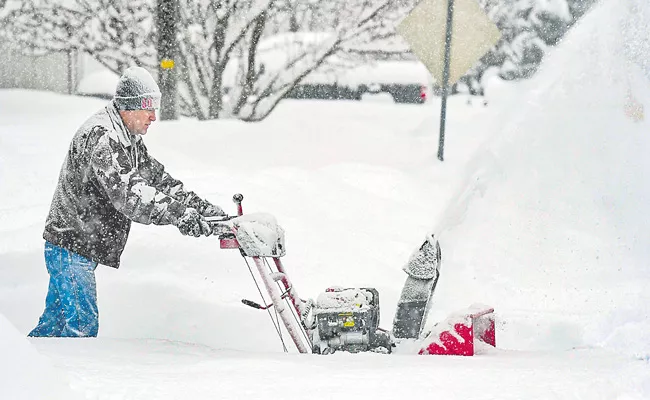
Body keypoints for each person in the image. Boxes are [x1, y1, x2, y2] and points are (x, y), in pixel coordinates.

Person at [28, 66, 225, 338]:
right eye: (149, 109)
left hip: (77, 245)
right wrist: (180, 215)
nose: (154, 117)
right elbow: (130, 195)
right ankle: (69, 376)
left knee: (53, 328)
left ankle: (28, 368)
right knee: (81, 329)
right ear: (130, 108)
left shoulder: (126, 137)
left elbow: (157, 180)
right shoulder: (102, 136)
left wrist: (200, 208)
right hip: (70, 245)